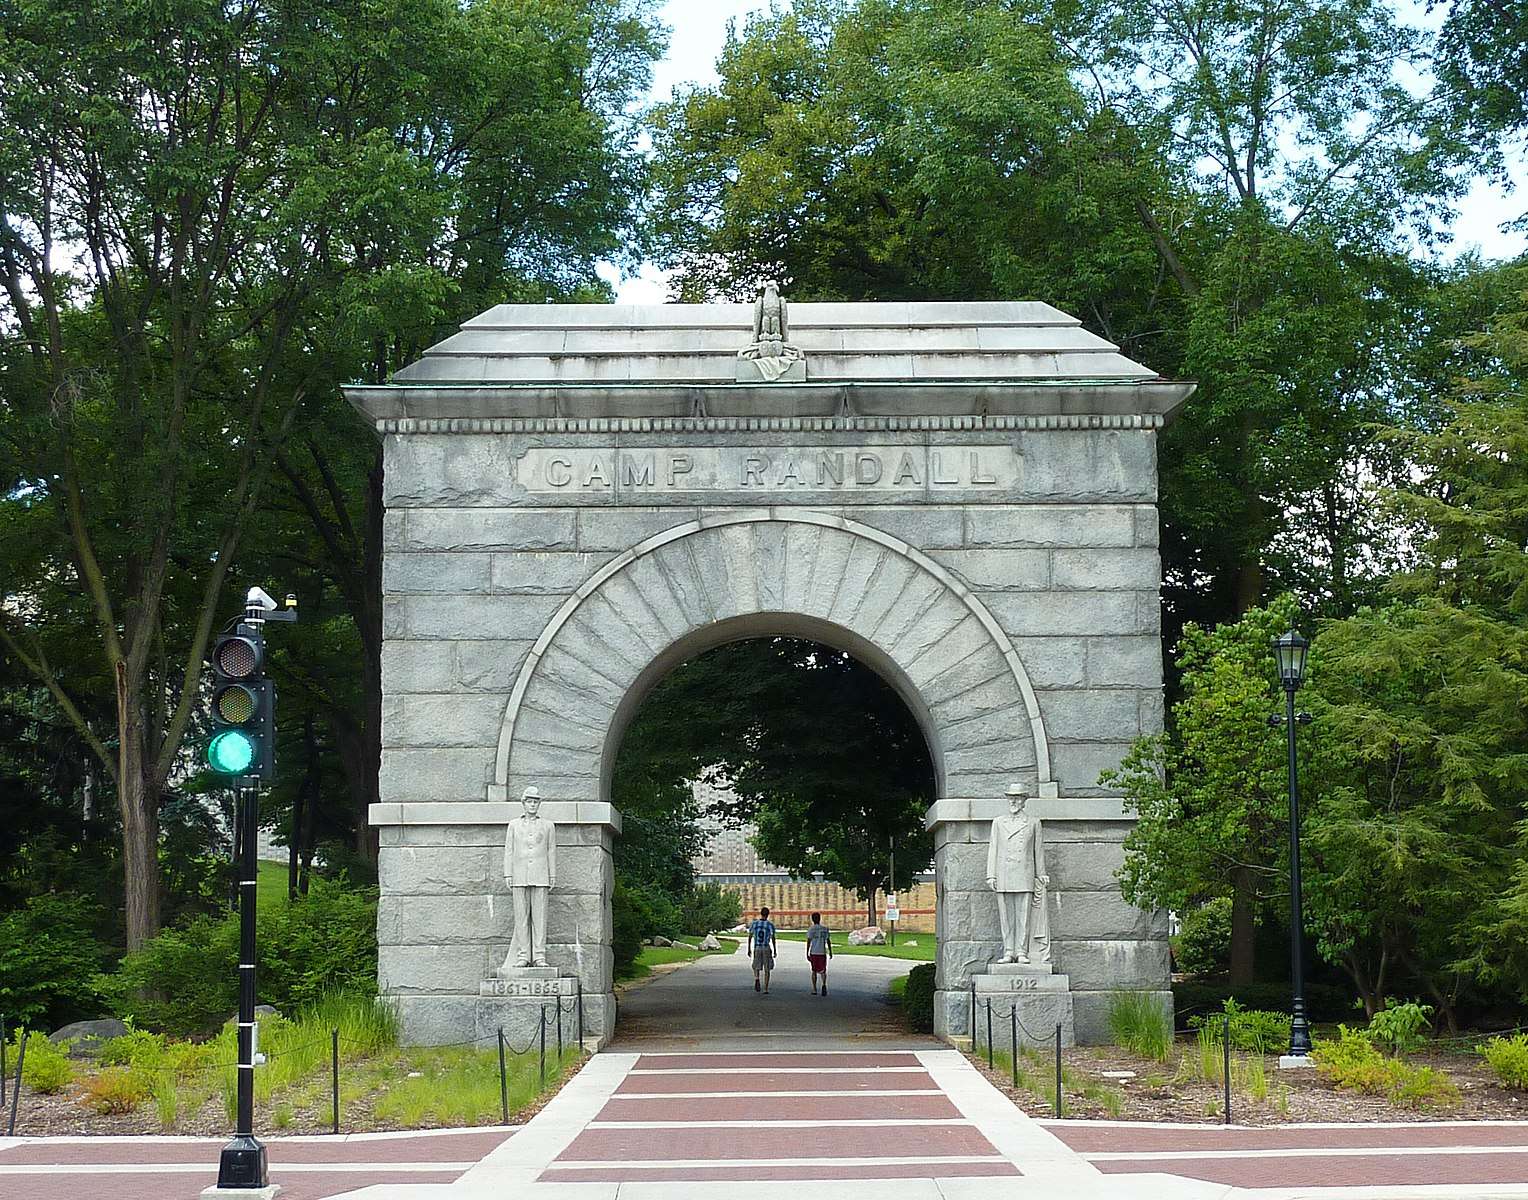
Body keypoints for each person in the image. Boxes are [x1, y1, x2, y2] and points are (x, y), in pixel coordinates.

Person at [747, 906, 778, 993]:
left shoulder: (755, 924)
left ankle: (757, 978)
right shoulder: (769, 925)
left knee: (756, 965)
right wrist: (775, 950)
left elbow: (750, 936)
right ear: (768, 915)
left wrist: (749, 948)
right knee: (767, 968)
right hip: (765, 947)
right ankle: (766, 988)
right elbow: (773, 937)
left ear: (761, 914)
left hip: (757, 946)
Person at [805, 911, 834, 996]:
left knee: (814, 971)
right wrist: (830, 952)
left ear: (812, 920)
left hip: (814, 952)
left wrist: (807, 952)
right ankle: (824, 984)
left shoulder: (811, 929)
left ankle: (814, 989)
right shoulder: (825, 929)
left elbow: (809, 941)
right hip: (822, 952)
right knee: (823, 970)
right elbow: (828, 941)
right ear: (819, 919)